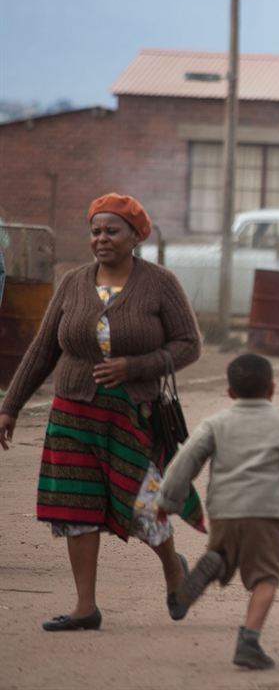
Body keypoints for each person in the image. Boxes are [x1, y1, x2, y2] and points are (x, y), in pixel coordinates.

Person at [0, 192, 204, 631]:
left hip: (133, 415)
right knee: (75, 506)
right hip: (72, 413)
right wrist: (10, 406)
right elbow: (42, 349)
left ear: (135, 235)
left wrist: (137, 366)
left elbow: (189, 344)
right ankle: (85, 607)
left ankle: (173, 569)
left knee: (144, 505)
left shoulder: (160, 283)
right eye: (95, 231)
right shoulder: (73, 282)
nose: (101, 239)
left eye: (112, 230)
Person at [155, 353, 279, 669]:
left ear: (230, 392)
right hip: (266, 515)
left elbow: (185, 461)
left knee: (224, 552)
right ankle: (249, 641)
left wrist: (167, 502)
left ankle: (216, 563)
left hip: (224, 511)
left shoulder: (216, 424)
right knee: (265, 578)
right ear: (272, 389)